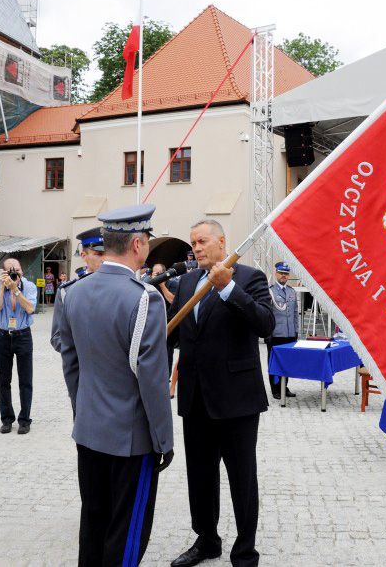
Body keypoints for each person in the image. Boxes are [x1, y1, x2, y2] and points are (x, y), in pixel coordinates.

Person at [59, 204, 174, 566]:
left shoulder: (72, 292)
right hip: (131, 440)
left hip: (89, 431)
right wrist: (164, 440)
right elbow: (153, 381)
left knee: (93, 523)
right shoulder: (145, 298)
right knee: (126, 534)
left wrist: (84, 413)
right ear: (138, 244)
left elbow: (70, 363)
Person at [168, 219, 274, 567]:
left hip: (237, 399)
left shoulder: (248, 278)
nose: (196, 247)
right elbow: (173, 335)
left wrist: (229, 289)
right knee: (200, 475)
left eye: (202, 241)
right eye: (192, 242)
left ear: (222, 242)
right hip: (196, 397)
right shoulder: (185, 283)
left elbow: (266, 323)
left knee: (241, 478)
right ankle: (207, 541)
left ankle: (245, 551)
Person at [0, 258, 37, 435]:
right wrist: (3, 287)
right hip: (3, 336)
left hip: (23, 335)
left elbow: (30, 308)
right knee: (4, 380)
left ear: (22, 270)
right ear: (3, 272)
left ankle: (24, 420)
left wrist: (15, 289)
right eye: (10, 270)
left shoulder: (29, 286)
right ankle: (7, 419)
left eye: (17, 269)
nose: (14, 273)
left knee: (25, 380)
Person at [51, 227, 106, 359]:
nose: (104, 259)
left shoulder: (120, 287)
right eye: (98, 254)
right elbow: (56, 337)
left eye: (106, 254)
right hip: (81, 367)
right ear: (83, 256)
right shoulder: (67, 291)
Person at [265, 261, 298, 399]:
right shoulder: (270, 291)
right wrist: (267, 334)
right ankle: (275, 390)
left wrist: (296, 332)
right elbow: (266, 314)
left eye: (286, 273)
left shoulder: (292, 291)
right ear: (276, 273)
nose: (284, 276)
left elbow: (296, 313)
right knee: (274, 363)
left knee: (287, 363)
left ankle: (284, 387)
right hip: (276, 335)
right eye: (281, 273)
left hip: (290, 334)